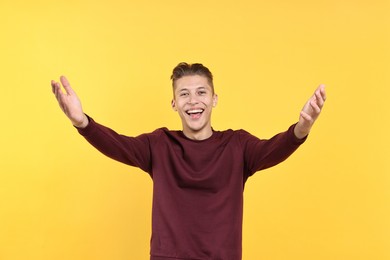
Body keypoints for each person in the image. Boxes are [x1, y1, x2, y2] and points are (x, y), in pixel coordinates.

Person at [51, 62, 326, 260]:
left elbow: (272, 149)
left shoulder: (237, 145)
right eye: (184, 94)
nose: (193, 101)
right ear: (173, 103)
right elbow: (118, 145)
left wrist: (301, 129)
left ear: (214, 99)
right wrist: (82, 122)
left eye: (201, 92)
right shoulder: (159, 145)